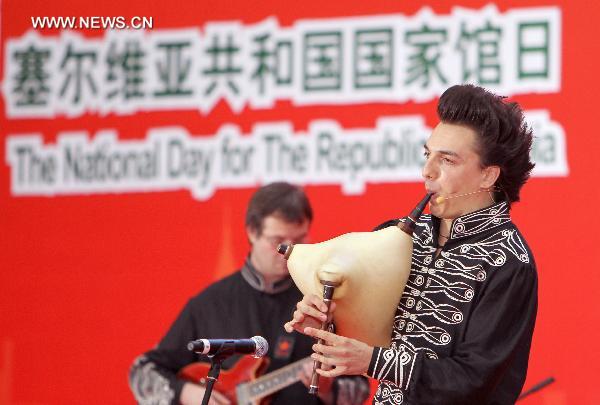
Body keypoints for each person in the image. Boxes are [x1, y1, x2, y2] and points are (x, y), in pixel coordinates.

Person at [285, 84, 538, 404]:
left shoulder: (509, 262)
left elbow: (475, 379)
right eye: (427, 155)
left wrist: (373, 361)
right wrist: (328, 321)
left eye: (447, 160)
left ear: (487, 176)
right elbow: (366, 332)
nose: (427, 172)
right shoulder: (399, 240)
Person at [129, 182, 370, 405]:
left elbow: (360, 387)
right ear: (252, 233)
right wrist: (187, 393)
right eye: (277, 240)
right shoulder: (209, 304)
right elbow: (142, 372)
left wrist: (328, 389)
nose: (289, 251)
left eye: (299, 239)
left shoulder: (320, 301)